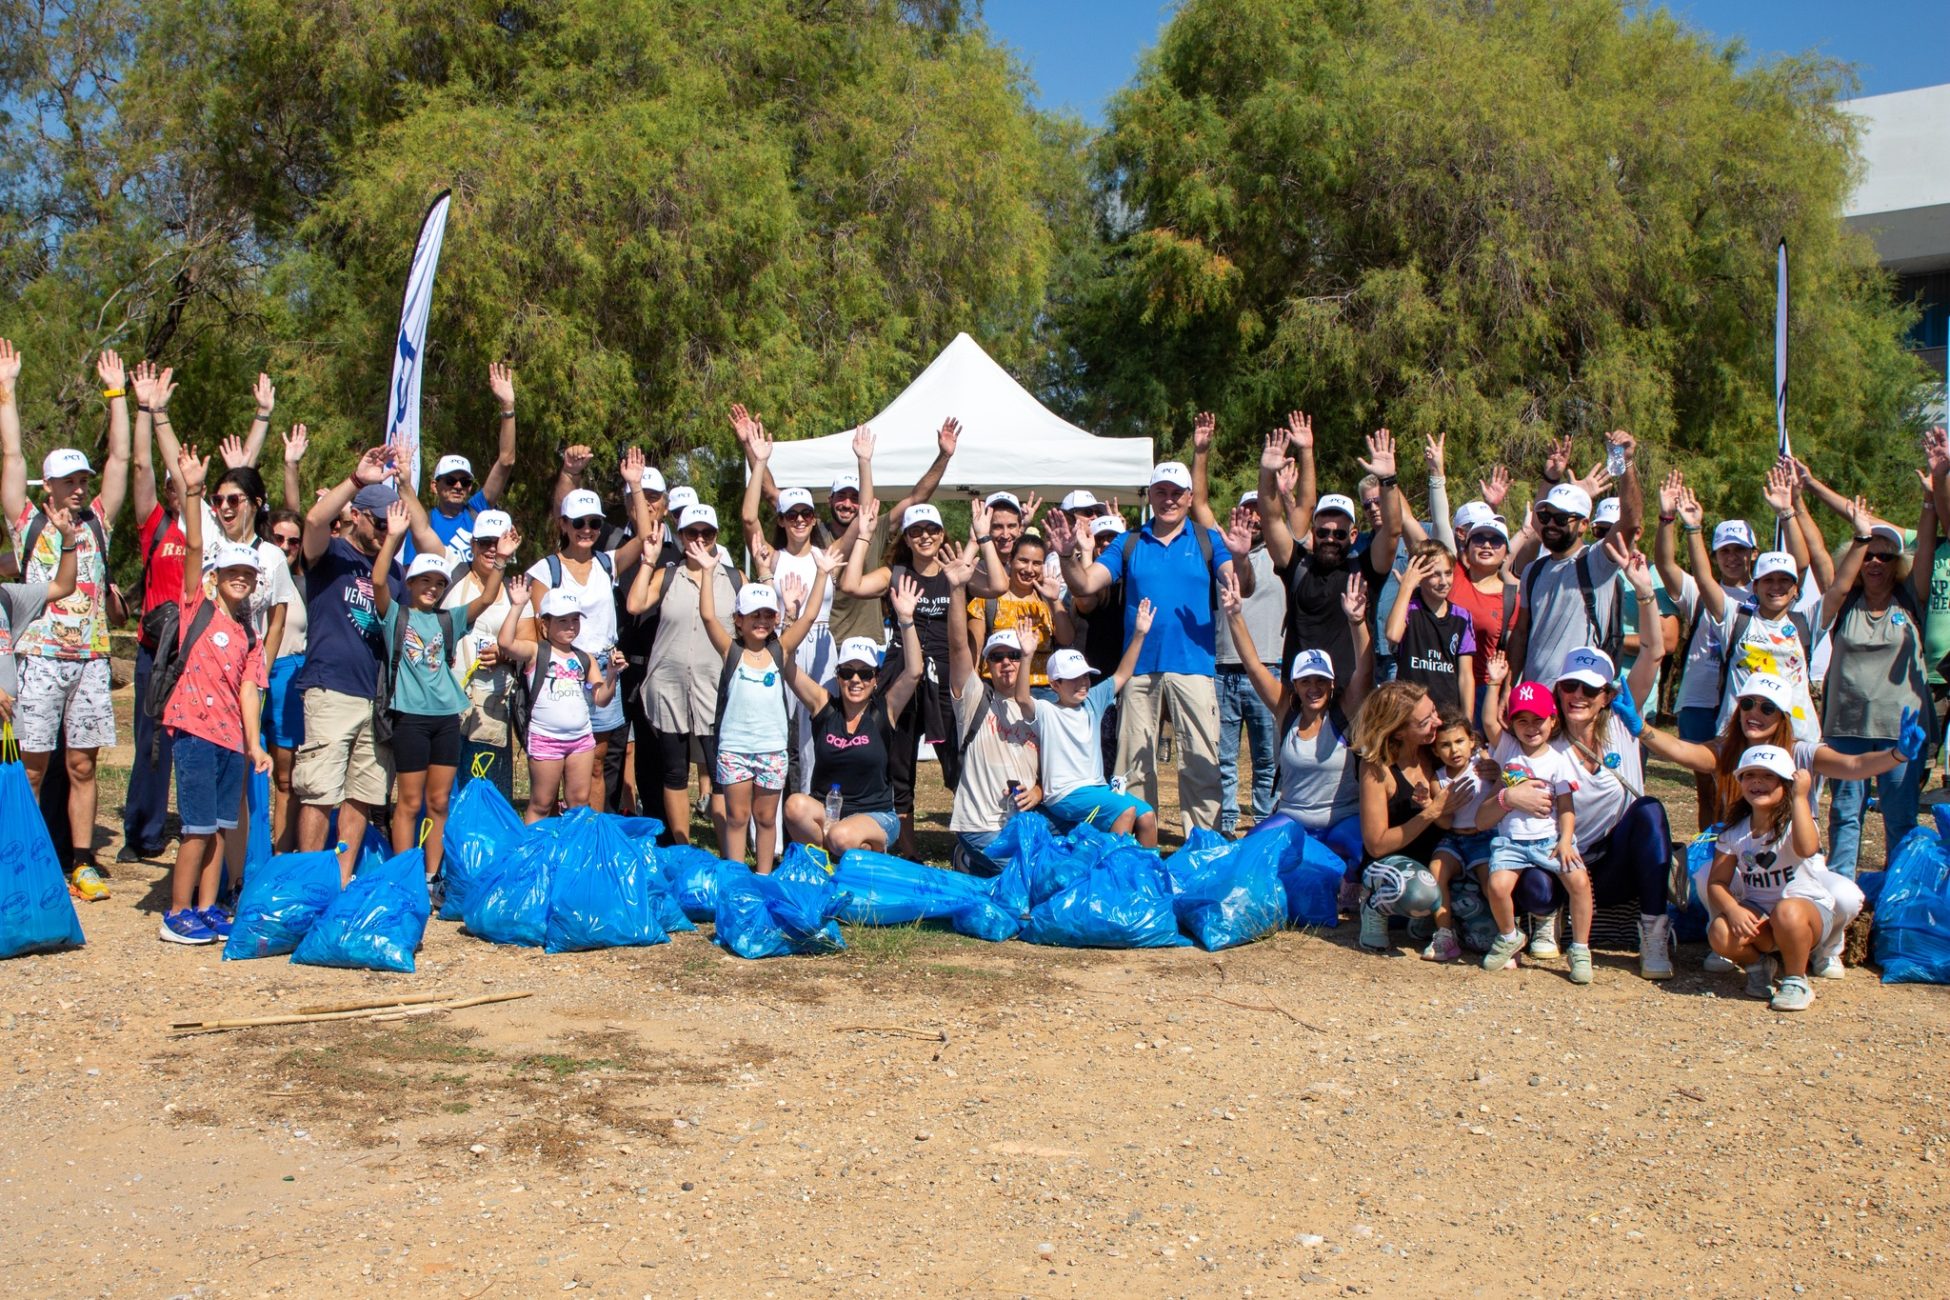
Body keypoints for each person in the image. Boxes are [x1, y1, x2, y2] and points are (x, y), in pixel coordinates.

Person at [1630, 672, 1912, 978]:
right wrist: (1641, 728)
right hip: (1747, 859)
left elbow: (1853, 765)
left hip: (1798, 862)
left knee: (1846, 897)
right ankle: (1731, 941)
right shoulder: (1726, 750)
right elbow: (1682, 751)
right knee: (1707, 876)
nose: (1754, 713)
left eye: (1767, 708)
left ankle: (1826, 947)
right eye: (1747, 704)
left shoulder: (1801, 752)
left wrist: (1897, 754)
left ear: (1783, 717)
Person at [1050, 450, 1251, 835]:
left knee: (1201, 765)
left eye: (1177, 492)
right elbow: (1085, 584)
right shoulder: (1128, 543)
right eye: (1161, 491)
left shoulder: (1208, 541)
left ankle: (1203, 849)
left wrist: (1240, 560)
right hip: (1139, 671)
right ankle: (1141, 849)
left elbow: (1241, 583)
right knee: (1133, 772)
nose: (1169, 499)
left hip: (1194, 667)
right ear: (1151, 494)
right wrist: (1066, 556)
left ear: (1190, 497)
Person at [1497, 541, 1673, 979]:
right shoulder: (1540, 740)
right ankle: (1547, 918)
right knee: (1535, 887)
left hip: (1611, 862)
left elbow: (1653, 652)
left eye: (1590, 689)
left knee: (1650, 811)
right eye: (1569, 686)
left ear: (1607, 696)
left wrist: (1644, 592)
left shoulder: (1624, 725)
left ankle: (1653, 934)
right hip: (1558, 861)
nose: (1578, 696)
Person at [0, 340, 131, 899]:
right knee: (32, 767)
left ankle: (81, 863)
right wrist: (7, 390)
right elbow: (11, 458)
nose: (80, 487)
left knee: (83, 766)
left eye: (83, 479)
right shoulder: (27, 523)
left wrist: (117, 395)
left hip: (91, 661)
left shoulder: (97, 522)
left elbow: (121, 461)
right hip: (38, 660)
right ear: (49, 484)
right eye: (69, 480)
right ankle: (25, 861)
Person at [840, 493, 1003, 855]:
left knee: (959, 759)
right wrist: (863, 536)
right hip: (904, 674)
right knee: (898, 763)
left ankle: (970, 839)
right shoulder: (896, 574)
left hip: (947, 679)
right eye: (916, 530)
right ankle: (907, 849)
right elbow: (850, 585)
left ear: (942, 534)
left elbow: (998, 585)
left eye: (932, 529)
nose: (925, 536)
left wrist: (984, 538)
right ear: (907, 537)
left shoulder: (955, 570)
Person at [157, 447, 270, 944]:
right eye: (232, 573)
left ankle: (208, 907)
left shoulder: (250, 635)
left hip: (230, 740)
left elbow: (249, 691)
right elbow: (195, 546)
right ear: (216, 577)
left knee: (223, 826)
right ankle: (177, 911)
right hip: (193, 733)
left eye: (248, 575)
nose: (240, 579)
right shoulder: (195, 608)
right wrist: (193, 491)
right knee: (197, 828)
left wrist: (254, 743)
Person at [371, 501, 505, 887]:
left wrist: (500, 560)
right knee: (409, 802)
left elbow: (486, 599)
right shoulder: (397, 615)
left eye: (439, 584)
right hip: (409, 718)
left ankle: (431, 877)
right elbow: (378, 583)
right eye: (424, 581)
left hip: (446, 717)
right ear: (410, 584)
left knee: (439, 801)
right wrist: (393, 537)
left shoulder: (449, 619)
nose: (431, 588)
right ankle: (404, 876)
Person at [292, 446, 405, 881]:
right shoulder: (331, 555)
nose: (385, 532)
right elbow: (313, 521)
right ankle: (308, 880)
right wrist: (357, 480)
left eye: (392, 525)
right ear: (356, 516)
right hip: (331, 688)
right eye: (379, 523)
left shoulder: (393, 572)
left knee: (363, 793)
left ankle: (339, 880)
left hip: (374, 697)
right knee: (320, 791)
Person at [525, 449, 655, 812]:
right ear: (564, 525)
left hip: (602, 669)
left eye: (594, 523)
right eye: (578, 523)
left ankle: (586, 833)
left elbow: (645, 536)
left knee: (595, 761)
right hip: (561, 672)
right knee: (553, 763)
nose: (587, 530)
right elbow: (537, 629)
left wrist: (635, 485)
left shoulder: (606, 563)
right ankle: (550, 833)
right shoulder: (545, 570)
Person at [1215, 569, 1372, 863]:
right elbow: (1253, 666)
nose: (1314, 688)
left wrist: (1357, 622)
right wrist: (1235, 615)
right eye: (1306, 681)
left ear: (1332, 684)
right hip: (1293, 819)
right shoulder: (1286, 711)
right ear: (1295, 686)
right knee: (1247, 858)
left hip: (1342, 821)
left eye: (1321, 681)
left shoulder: (1344, 712)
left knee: (1365, 857)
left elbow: (1364, 670)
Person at [698, 547, 836, 872]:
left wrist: (823, 573)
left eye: (767, 615)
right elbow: (707, 617)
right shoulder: (731, 651)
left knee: (765, 818)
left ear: (775, 618)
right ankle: (735, 877)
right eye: (753, 615)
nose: (761, 621)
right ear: (739, 620)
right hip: (734, 749)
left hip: (772, 750)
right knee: (737, 817)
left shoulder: (780, 650)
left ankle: (762, 876)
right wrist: (706, 571)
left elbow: (809, 616)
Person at [1817, 487, 1931, 878]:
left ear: (1899, 563)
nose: (1876, 562)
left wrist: (1929, 499)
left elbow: (1926, 548)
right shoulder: (1844, 600)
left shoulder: (1910, 598)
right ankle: (1841, 891)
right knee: (1845, 813)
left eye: (1886, 556)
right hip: (1846, 728)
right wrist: (1799, 500)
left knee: (1900, 816)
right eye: (1868, 554)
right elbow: (1814, 554)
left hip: (1901, 731)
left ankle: (1898, 893)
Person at [739, 421, 850, 793]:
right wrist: (758, 462)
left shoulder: (827, 554)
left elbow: (862, 526)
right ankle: (770, 810)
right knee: (776, 727)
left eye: (806, 513)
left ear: (814, 518)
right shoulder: (771, 556)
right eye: (791, 515)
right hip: (782, 644)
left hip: (822, 645)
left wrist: (863, 463)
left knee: (819, 728)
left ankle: (809, 804)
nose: (800, 520)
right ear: (782, 520)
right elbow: (748, 518)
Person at [1191, 412, 1288, 836]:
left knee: (1268, 758)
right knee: (1224, 758)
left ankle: (1264, 823)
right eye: (1246, 510)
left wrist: (1284, 485)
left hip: (1268, 668)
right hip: (1223, 669)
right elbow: (1198, 503)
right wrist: (1201, 452)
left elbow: (1297, 512)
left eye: (1259, 510)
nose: (1252, 517)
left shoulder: (1284, 552)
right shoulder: (1223, 548)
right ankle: (1227, 825)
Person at [781, 577, 925, 856]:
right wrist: (789, 617)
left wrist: (906, 620)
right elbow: (786, 665)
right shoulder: (824, 705)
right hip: (829, 813)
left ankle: (858, 853)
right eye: (847, 672)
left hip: (876, 816)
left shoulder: (885, 710)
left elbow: (914, 672)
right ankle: (833, 859)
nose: (855, 680)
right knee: (795, 806)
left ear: (875, 678)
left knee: (842, 836)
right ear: (838, 676)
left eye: (865, 673)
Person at [1256, 417, 1401, 689]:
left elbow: (1392, 531)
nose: (1330, 539)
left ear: (1353, 536)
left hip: (1349, 697)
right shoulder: (1297, 565)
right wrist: (1266, 474)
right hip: (1300, 695)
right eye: (1323, 532)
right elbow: (1271, 520)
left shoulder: (1365, 570)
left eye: (1339, 534)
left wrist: (1387, 480)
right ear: (1313, 532)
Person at [625, 504, 736, 844]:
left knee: (720, 773)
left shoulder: (734, 579)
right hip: (669, 686)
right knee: (674, 771)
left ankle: (727, 851)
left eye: (707, 533)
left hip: (715, 687)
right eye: (691, 532)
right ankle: (681, 846)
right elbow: (635, 604)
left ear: (716, 536)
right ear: (681, 536)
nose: (699, 539)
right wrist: (648, 561)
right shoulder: (669, 575)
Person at [1505, 429, 1640, 684]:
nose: (1551, 524)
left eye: (1561, 518)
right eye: (1546, 516)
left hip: (1579, 696)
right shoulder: (1533, 571)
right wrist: (1508, 687)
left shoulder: (1597, 562)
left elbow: (1630, 523)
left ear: (1583, 525)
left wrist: (1627, 463)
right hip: (1535, 698)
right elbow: (1521, 633)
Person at [121, 359, 189, 862]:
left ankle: (198, 827)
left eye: (181, 484)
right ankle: (142, 832)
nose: (175, 490)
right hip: (155, 651)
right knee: (151, 742)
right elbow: (141, 466)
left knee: (196, 742)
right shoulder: (155, 525)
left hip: (196, 653)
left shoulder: (209, 530)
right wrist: (144, 409)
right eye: (171, 485)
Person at [1478, 680, 1590, 981]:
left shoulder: (1559, 760)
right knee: (1497, 886)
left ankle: (1580, 949)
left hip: (1549, 840)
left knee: (1579, 882)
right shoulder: (1508, 750)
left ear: (1553, 721)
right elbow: (1488, 721)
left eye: (1538, 719)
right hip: (1512, 841)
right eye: (1522, 720)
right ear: (1512, 723)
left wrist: (1565, 840)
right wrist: (1494, 683)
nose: (1530, 727)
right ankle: (1509, 936)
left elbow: (1566, 806)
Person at [942, 540, 1043, 876]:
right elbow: (958, 646)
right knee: (1028, 878)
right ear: (987, 664)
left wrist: (1038, 791)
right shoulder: (974, 697)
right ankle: (971, 856)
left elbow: (1055, 773)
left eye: (1014, 656)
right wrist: (957, 589)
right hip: (980, 825)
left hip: (1023, 825)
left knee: (1052, 871)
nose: (1007, 663)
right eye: (997, 657)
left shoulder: (1037, 709)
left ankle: (972, 863)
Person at [1705, 747, 1831, 1012]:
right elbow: (1717, 882)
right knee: (1720, 932)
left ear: (1786, 783)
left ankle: (1796, 980)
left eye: (1768, 776)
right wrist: (1733, 910)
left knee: (1787, 910)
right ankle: (1759, 966)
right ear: (1740, 782)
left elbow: (1807, 849)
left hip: (1805, 915)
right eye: (1750, 775)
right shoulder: (1734, 833)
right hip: (1761, 915)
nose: (1758, 782)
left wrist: (1800, 797)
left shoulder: (1797, 821)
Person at [1031, 606, 1159, 846]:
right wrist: (1026, 656)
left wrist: (1140, 634)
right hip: (1064, 794)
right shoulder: (1045, 709)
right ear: (1055, 684)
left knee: (1147, 816)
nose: (1082, 683)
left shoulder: (1092, 700)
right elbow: (1020, 698)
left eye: (1085, 676)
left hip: (1097, 788)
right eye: (1073, 678)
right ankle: (1111, 867)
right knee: (1125, 810)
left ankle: (1147, 868)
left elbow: (1122, 674)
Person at [499, 576, 623, 823]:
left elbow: (600, 699)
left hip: (581, 740)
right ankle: (534, 847)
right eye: (562, 620)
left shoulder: (585, 658)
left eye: (575, 619)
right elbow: (505, 643)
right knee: (542, 803)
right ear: (545, 623)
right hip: (545, 738)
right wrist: (517, 606)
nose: (570, 626)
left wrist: (611, 675)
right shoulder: (536, 651)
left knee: (579, 803)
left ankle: (572, 846)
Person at [1352, 682, 1458, 951]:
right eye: (1425, 721)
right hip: (1391, 866)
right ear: (1399, 731)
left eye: (1434, 711)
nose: (1437, 722)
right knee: (1420, 894)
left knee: (1478, 919)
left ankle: (1421, 918)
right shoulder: (1376, 768)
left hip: (1436, 864)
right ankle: (1374, 907)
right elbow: (1376, 845)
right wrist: (1431, 811)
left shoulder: (1434, 750)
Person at [442, 509, 522, 801]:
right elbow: (422, 531)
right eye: (485, 542)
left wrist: (504, 654)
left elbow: (529, 643)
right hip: (449, 698)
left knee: (489, 783)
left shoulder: (515, 590)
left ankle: (488, 830)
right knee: (448, 783)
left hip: (492, 703)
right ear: (472, 544)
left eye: (498, 543)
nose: (492, 549)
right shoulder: (451, 574)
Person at [1422, 693, 1503, 964]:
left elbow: (1503, 784)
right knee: (1436, 871)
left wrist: (1497, 772)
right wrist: (1436, 805)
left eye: (1459, 741)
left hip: (1484, 837)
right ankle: (1444, 934)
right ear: (1435, 751)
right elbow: (1445, 823)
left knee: (1491, 880)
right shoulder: (1438, 780)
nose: (1454, 750)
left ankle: (1506, 934)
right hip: (1454, 838)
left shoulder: (1484, 765)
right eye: (1445, 745)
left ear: (1472, 741)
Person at [412, 362, 518, 564]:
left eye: (465, 481)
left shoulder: (477, 510)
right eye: (450, 480)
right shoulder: (425, 523)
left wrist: (507, 407)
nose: (458, 486)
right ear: (434, 486)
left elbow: (506, 461)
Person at [1384, 540, 1478, 723]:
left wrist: (1466, 721)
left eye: (1448, 573)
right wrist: (1406, 588)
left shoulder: (1462, 617)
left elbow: (1466, 676)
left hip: (1447, 715)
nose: (1443, 582)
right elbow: (1393, 635)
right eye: (1435, 575)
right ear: (1419, 576)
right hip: (1411, 715)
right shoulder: (1409, 609)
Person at [263, 506, 307, 850]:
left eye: (294, 541)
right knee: (248, 775)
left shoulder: (304, 583)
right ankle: (246, 858)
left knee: (285, 777)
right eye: (279, 538)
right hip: (251, 676)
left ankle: (282, 855)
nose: (286, 546)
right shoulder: (247, 573)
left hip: (290, 677)